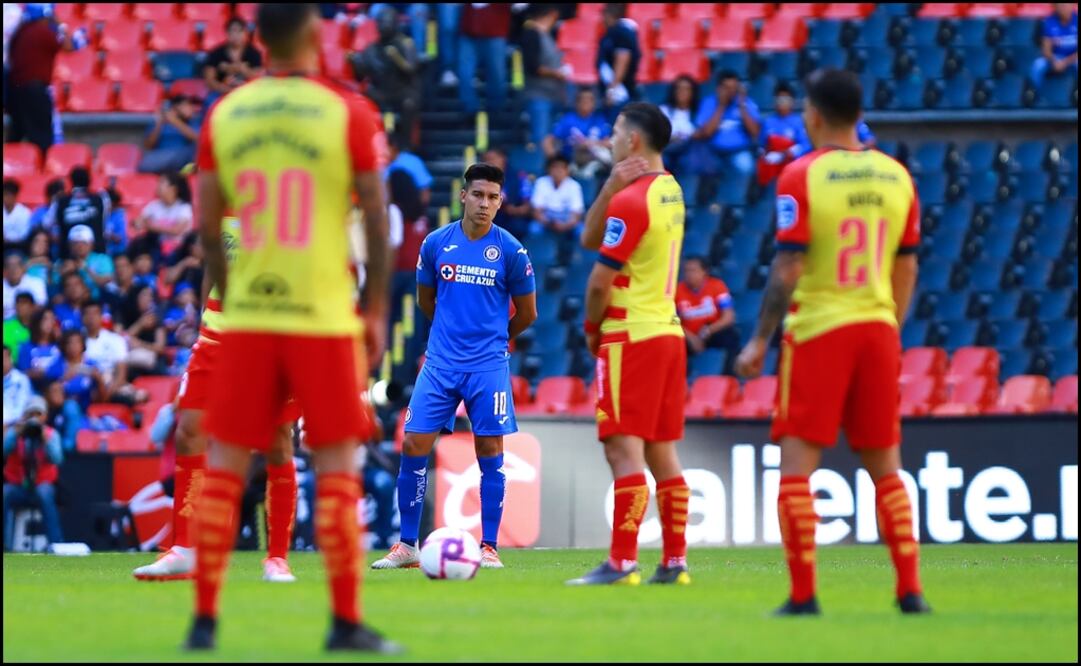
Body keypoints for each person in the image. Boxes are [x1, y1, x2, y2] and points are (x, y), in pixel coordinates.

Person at [188, 4, 397, 653]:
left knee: (223, 463)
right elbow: (379, 221)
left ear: (255, 41)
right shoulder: (348, 113)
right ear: (314, 35)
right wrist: (376, 312)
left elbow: (207, 228)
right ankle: (344, 621)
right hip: (322, 316)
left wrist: (232, 293)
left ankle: (204, 621)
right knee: (335, 462)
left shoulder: (225, 115)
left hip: (248, 316)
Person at [734, 68, 929, 616]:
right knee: (886, 467)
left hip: (819, 330)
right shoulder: (897, 177)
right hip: (877, 329)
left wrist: (759, 339)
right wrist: (889, 320)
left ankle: (803, 596)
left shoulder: (801, 175)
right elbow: (907, 267)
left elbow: (789, 265)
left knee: (797, 465)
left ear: (813, 114)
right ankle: (909, 591)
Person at [371, 162, 537, 571]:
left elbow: (528, 314)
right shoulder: (435, 244)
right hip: (441, 362)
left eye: (493, 197)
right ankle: (407, 545)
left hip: (488, 366)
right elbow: (427, 301)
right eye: (478, 195)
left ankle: (489, 546)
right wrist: (450, 335)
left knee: (489, 450)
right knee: (413, 444)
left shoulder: (513, 251)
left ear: (501, 202)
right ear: (463, 196)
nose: (485, 204)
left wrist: (495, 339)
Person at [132, 222, 300, 585]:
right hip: (217, 334)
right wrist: (200, 320)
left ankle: (277, 558)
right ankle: (184, 551)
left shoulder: (296, 203)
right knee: (189, 430)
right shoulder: (227, 201)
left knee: (277, 443)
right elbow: (215, 259)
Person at [568, 102, 689, 586]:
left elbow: (598, 281)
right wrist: (610, 187)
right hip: (667, 332)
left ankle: (621, 562)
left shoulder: (633, 202)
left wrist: (591, 329)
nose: (611, 137)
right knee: (662, 453)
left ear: (633, 141)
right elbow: (589, 237)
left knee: (623, 451)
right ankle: (675, 562)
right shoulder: (669, 190)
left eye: (616, 131)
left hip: (630, 334)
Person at [6, 3, 78, 154]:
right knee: (43, 140)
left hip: (16, 92)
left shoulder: (20, 32)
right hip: (35, 91)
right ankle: (43, 172)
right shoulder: (43, 32)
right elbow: (69, 46)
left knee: (15, 138)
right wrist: (58, 23)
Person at [3, 396, 64, 551]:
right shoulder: (16, 432)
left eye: (38, 414)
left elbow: (57, 459)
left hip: (42, 484)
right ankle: (5, 545)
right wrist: (14, 435)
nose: (34, 418)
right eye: (31, 414)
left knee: (44, 493)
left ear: (45, 417)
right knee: (5, 493)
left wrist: (45, 440)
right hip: (19, 486)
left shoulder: (51, 434)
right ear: (24, 416)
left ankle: (55, 544)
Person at [355, 6, 421, 147]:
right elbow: (361, 76)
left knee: (410, 103)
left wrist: (397, 58)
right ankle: (366, 143)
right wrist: (357, 63)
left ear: (395, 23)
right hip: (381, 92)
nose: (384, 25)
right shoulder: (372, 48)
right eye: (381, 22)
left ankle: (406, 146)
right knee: (362, 99)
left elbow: (412, 70)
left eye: (387, 21)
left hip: (401, 89)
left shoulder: (406, 44)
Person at [691, 70, 761, 178]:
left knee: (747, 168)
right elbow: (707, 132)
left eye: (734, 87)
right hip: (712, 152)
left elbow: (755, 132)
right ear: (719, 88)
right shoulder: (708, 103)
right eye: (727, 88)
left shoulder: (746, 103)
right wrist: (721, 106)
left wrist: (742, 106)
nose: (731, 91)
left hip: (739, 151)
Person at [675, 256, 739, 372]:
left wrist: (709, 330)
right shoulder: (677, 291)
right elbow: (672, 320)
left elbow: (729, 316)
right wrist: (691, 338)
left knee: (731, 336)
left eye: (693, 270)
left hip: (712, 331)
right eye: (686, 271)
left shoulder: (717, 286)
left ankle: (730, 375)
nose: (689, 274)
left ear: (704, 272)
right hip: (689, 335)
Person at [520, 4, 567, 147]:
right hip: (538, 96)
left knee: (552, 142)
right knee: (541, 140)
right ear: (552, 14)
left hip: (554, 96)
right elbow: (532, 67)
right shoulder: (532, 34)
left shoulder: (547, 35)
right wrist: (557, 73)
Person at [545, 87, 613, 179]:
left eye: (589, 100)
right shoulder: (568, 119)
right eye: (583, 100)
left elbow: (609, 143)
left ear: (594, 103)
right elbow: (548, 141)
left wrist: (590, 144)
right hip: (570, 161)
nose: (586, 103)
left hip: (594, 161)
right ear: (577, 102)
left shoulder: (599, 120)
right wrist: (555, 160)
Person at [457, 3, 510, 118]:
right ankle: (469, 110)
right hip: (469, 32)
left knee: (497, 75)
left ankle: (495, 110)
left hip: (495, 32)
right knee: (464, 72)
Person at [758, 81, 812, 186]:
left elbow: (805, 145)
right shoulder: (768, 122)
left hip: (792, 164)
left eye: (785, 100)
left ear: (792, 102)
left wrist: (784, 154)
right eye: (779, 100)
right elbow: (762, 144)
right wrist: (765, 154)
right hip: (772, 167)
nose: (782, 103)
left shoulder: (799, 122)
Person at [130, 172, 194, 260]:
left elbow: (177, 230)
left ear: (173, 189)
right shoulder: (153, 206)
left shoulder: (183, 208)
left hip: (178, 249)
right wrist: (137, 223)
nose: (158, 186)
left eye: (162, 183)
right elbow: (138, 222)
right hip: (157, 247)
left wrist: (150, 226)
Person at [202, 18, 264, 108]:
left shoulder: (254, 53)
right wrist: (226, 89)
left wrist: (244, 70)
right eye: (233, 31)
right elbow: (210, 80)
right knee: (209, 102)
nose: (236, 35)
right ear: (227, 33)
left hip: (247, 92)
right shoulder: (216, 53)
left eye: (240, 31)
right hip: (221, 91)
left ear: (245, 33)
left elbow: (259, 77)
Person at [51, 166, 110, 260]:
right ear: (89, 180)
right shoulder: (99, 199)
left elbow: (52, 224)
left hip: (67, 255)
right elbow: (104, 222)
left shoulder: (61, 200)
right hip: (96, 253)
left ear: (71, 181)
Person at [138, 95, 202, 175]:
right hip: (161, 156)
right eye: (185, 106)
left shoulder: (193, 123)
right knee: (144, 164)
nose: (191, 109)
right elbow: (148, 146)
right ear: (175, 108)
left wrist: (175, 121)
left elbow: (198, 138)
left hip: (183, 157)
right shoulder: (160, 123)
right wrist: (159, 124)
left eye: (190, 106)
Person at [597, 4, 641, 112]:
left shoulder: (621, 31)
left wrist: (613, 89)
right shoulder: (612, 32)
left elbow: (622, 59)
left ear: (607, 15)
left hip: (621, 92)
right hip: (614, 88)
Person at [483, 147, 533, 241]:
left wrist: (515, 210)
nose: (489, 163)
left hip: (513, 217)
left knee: (518, 227)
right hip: (489, 216)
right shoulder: (479, 179)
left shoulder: (519, 176)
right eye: (486, 160)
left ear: (503, 158)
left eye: (492, 159)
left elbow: (528, 205)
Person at [530, 155, 585, 238]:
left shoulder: (574, 186)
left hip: (566, 218)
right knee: (534, 229)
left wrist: (565, 225)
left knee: (581, 230)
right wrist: (548, 223)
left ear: (567, 170)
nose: (558, 171)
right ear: (549, 169)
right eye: (555, 167)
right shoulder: (541, 182)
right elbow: (537, 211)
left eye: (561, 168)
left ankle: (576, 251)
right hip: (547, 217)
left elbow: (576, 214)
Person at [1030, 3, 1078, 90]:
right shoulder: (1049, 21)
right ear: (1055, 7)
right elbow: (1046, 49)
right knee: (1038, 65)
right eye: (1061, 5)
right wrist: (1054, 61)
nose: (1064, 7)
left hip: (1073, 58)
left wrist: (1065, 62)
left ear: (1072, 6)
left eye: (1066, 5)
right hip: (1055, 57)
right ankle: (1034, 95)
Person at [659, 75, 700, 176]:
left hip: (690, 152)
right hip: (666, 151)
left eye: (687, 89)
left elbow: (701, 133)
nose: (682, 92)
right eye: (679, 88)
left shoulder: (698, 113)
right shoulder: (664, 110)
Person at [61, 225, 114, 300]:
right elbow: (56, 285)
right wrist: (64, 274)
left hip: (99, 300)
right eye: (75, 243)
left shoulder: (103, 259)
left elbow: (106, 281)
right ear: (70, 246)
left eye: (83, 242)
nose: (79, 246)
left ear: (91, 243)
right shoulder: (63, 263)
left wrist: (85, 269)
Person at [16, 306, 62, 394]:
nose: (50, 323)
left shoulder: (59, 346)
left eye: (52, 319)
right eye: (46, 319)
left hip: (58, 391)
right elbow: (23, 373)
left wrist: (44, 372)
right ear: (37, 321)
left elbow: (63, 369)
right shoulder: (26, 347)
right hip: (33, 391)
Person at [385, 131, 432, 206]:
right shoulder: (380, 165)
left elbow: (425, 192)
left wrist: (419, 214)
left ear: (393, 147)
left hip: (411, 211)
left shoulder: (412, 162)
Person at [3, 253, 48, 318]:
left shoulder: (36, 282)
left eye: (17, 265)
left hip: (30, 321)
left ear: (23, 268)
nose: (13, 269)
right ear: (4, 270)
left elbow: (40, 306)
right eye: (9, 266)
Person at [3, 346, 32, 432]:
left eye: (4, 357)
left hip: (15, 425)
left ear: (11, 359)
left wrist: (6, 422)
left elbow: (21, 407)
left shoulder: (21, 380)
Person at [4, 292, 37, 362]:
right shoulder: (6, 326)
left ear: (32, 307)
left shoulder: (38, 325)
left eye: (23, 303)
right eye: (17, 303)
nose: (19, 306)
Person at [3, 179, 33, 253]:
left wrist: (8, 240)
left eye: (7, 195)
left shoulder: (24, 212)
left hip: (19, 248)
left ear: (15, 196)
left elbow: (24, 235)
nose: (5, 198)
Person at [103, 188, 128, 256]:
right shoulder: (102, 214)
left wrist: (106, 234)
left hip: (118, 252)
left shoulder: (120, 215)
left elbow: (119, 238)